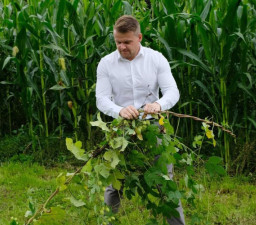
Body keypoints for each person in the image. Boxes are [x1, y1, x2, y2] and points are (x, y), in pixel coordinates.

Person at [96, 15, 185, 225]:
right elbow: (101, 98)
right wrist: (119, 111)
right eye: (118, 42)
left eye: (127, 42)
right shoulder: (106, 64)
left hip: (153, 126)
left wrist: (158, 105)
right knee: (114, 183)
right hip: (121, 129)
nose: (122, 47)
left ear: (139, 38)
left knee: (165, 182)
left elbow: (172, 91)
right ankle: (108, 222)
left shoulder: (156, 59)